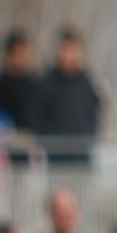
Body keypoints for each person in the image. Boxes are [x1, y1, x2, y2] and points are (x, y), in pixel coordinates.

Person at [32, 29, 101, 165]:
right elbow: (38, 119)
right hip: (57, 158)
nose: (68, 55)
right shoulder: (48, 84)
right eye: (65, 49)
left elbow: (94, 114)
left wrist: (87, 139)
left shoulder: (86, 82)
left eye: (73, 49)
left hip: (82, 156)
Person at [0, 28, 40, 152]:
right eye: (17, 53)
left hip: (33, 143)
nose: (21, 58)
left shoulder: (33, 81)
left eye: (23, 53)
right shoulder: (3, 84)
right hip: (10, 143)